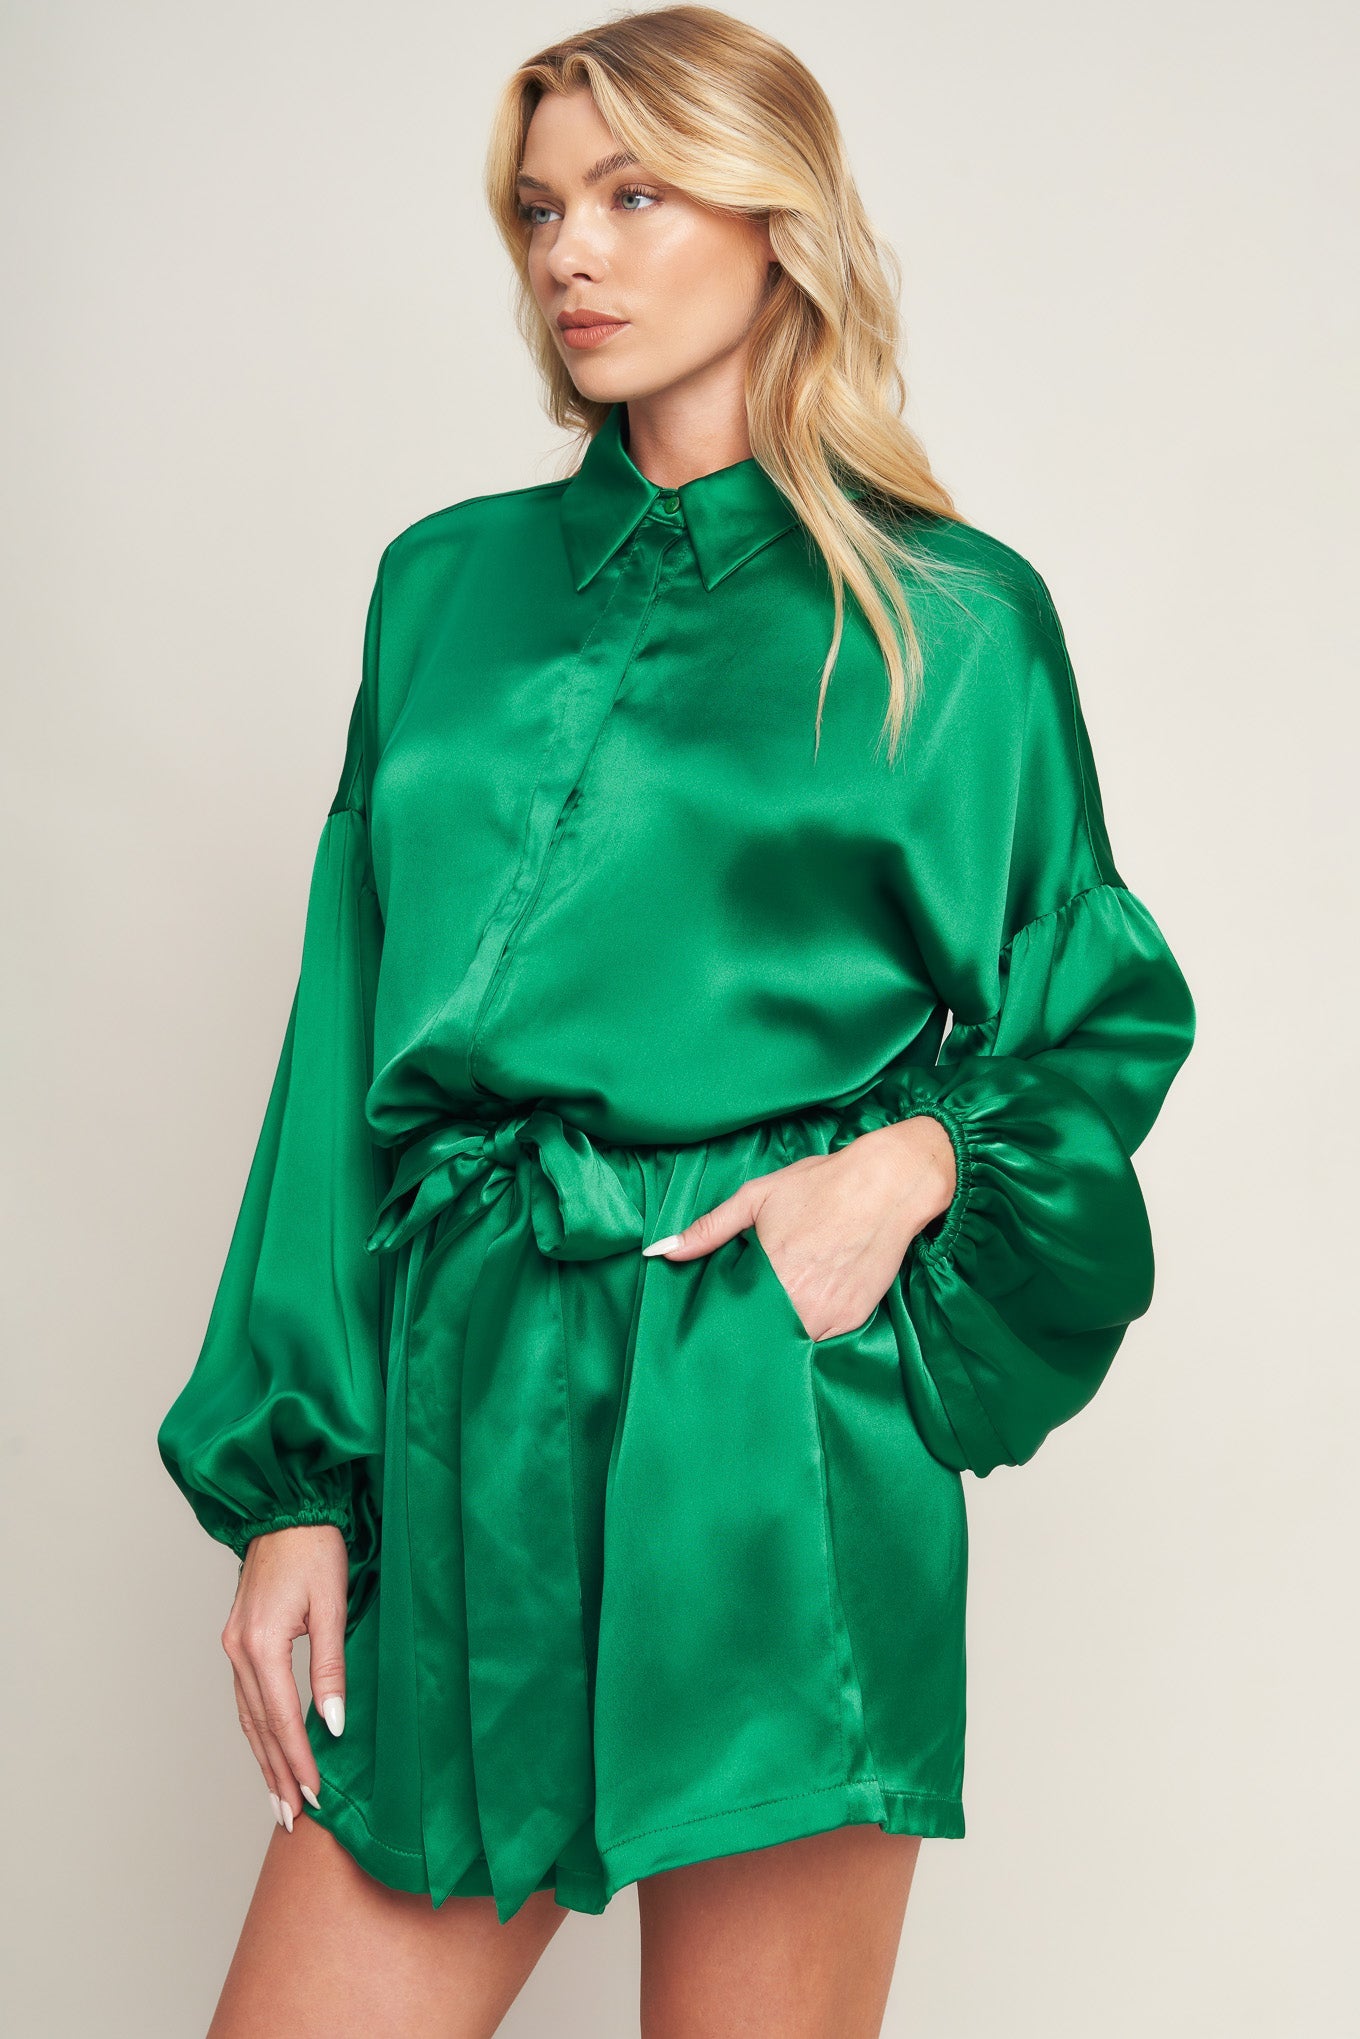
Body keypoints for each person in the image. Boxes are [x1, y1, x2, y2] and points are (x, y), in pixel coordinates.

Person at [158, 8, 1197, 2034]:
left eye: (635, 195)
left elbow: (1093, 1015)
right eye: (542, 207)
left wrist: (905, 1168)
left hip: (766, 1409)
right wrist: (293, 1488)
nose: (571, 250)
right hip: (465, 1413)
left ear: (775, 221)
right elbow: (340, 1040)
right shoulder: (440, 589)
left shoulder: (949, 618)